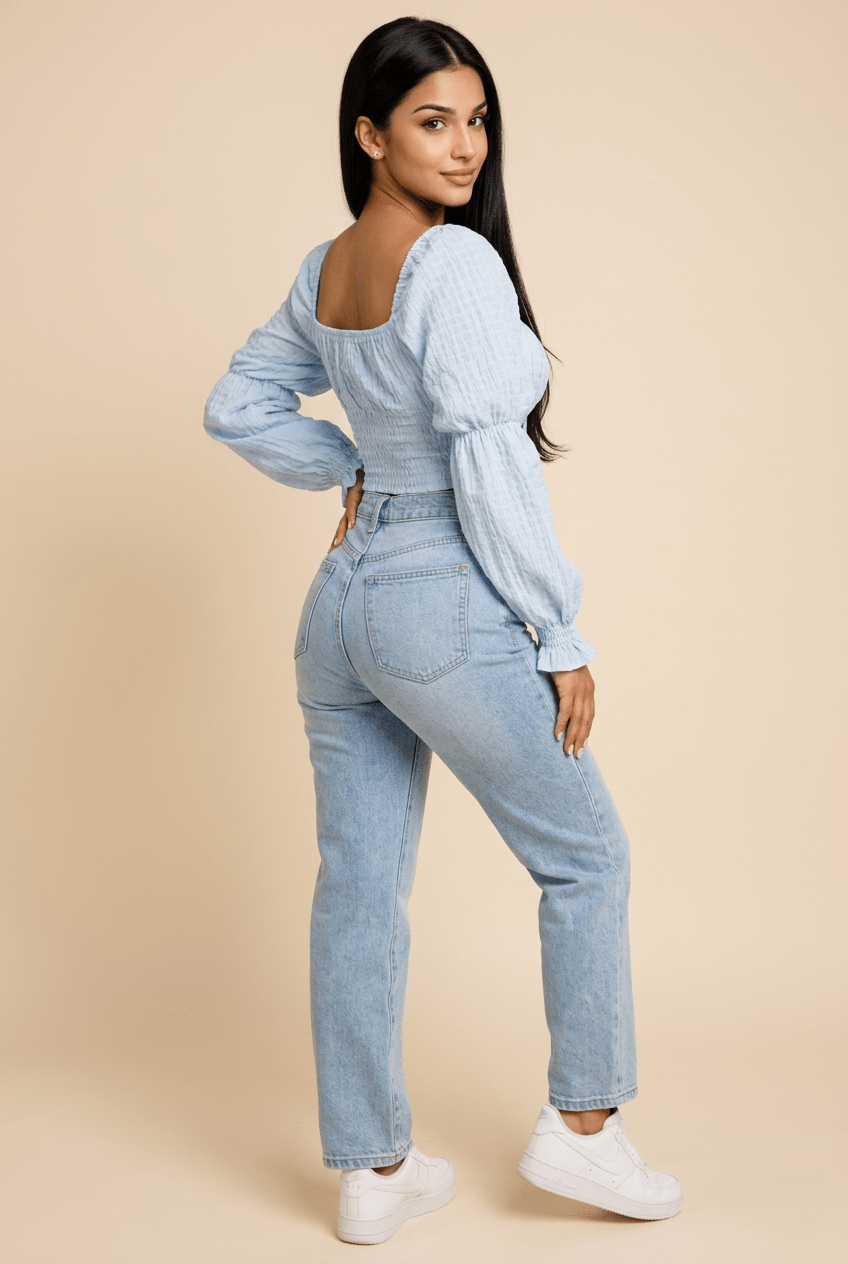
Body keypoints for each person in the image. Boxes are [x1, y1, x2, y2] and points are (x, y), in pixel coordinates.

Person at [203, 16, 682, 1247]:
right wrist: (555, 629)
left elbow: (235, 405)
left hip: (339, 607)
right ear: (369, 135)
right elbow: (488, 462)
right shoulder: (454, 264)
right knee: (585, 857)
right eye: (432, 122)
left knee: (358, 888)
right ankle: (583, 1129)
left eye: (475, 121)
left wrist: (345, 467)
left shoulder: (328, 268)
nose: (464, 147)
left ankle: (372, 1169)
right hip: (438, 597)